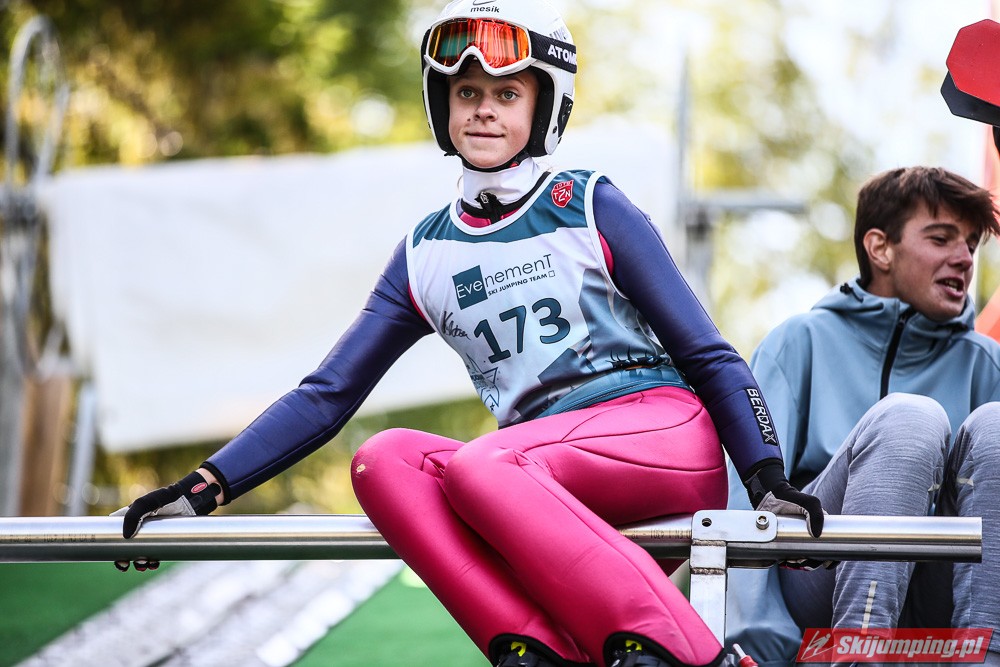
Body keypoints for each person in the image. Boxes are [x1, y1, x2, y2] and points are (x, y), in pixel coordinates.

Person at [114, 2, 823, 666]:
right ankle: (536, 649)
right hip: (535, 477)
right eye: (467, 93)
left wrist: (767, 479)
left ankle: (696, 654)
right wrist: (200, 489)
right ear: (442, 105)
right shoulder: (425, 253)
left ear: (544, 107)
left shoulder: (588, 204)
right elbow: (326, 394)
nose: (484, 109)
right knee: (384, 460)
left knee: (483, 464)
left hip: (658, 437)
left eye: (507, 94)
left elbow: (707, 351)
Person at [724, 166, 1000, 666]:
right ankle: (858, 657)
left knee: (997, 426)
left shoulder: (988, 363)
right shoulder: (799, 343)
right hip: (818, 586)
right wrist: (759, 645)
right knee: (909, 420)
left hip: (942, 597)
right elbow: (743, 497)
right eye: (941, 238)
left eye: (971, 244)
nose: (964, 258)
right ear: (880, 248)